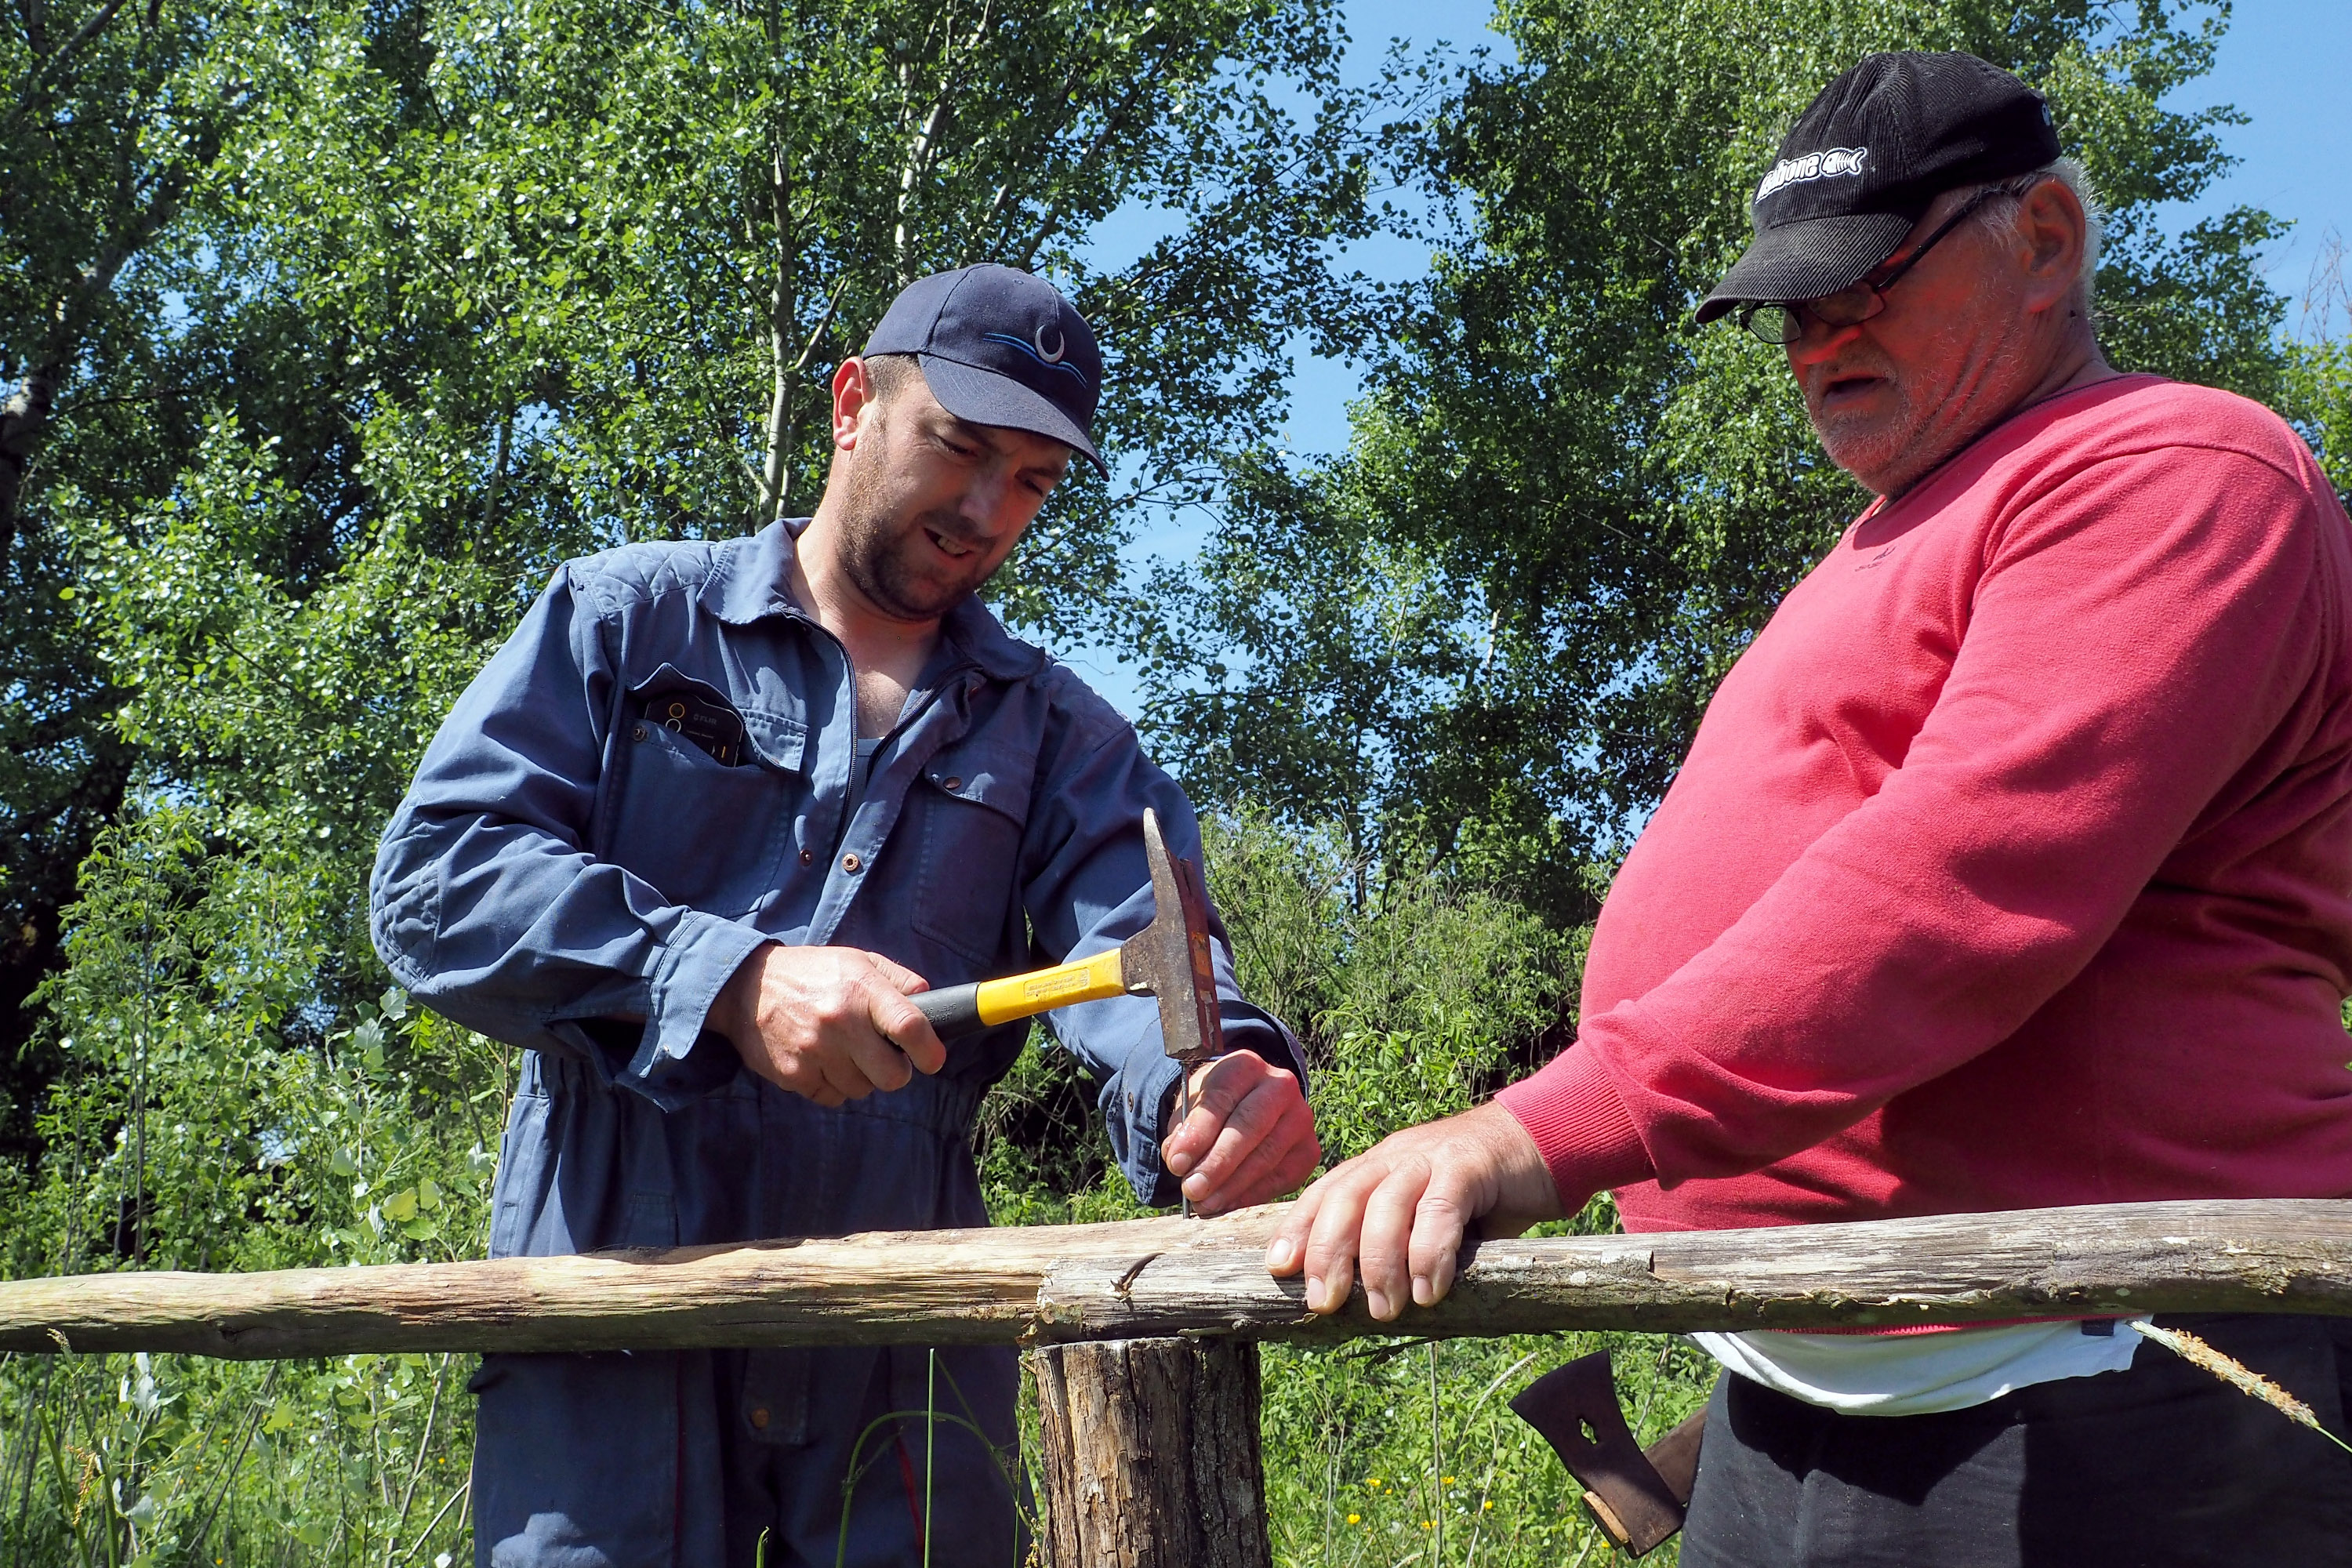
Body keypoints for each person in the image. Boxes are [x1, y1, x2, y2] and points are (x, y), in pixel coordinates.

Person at [1266, 49, 2352, 1565]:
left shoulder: (2171, 472)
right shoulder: (1901, 532)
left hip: (2108, 1380)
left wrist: (1542, 1130)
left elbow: (1959, 885)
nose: (1816, 344)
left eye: (1864, 287)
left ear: (2046, 238)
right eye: (1791, 310)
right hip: (1810, 1394)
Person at [370, 263, 1319, 1568]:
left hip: (905, 1344)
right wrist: (729, 981)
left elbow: (1150, 959)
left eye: (1033, 480)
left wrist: (1212, 1092)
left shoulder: (1062, 737)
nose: (985, 510)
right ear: (852, 404)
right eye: (960, 447)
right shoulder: (627, 623)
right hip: (609, 1291)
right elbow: (436, 883)